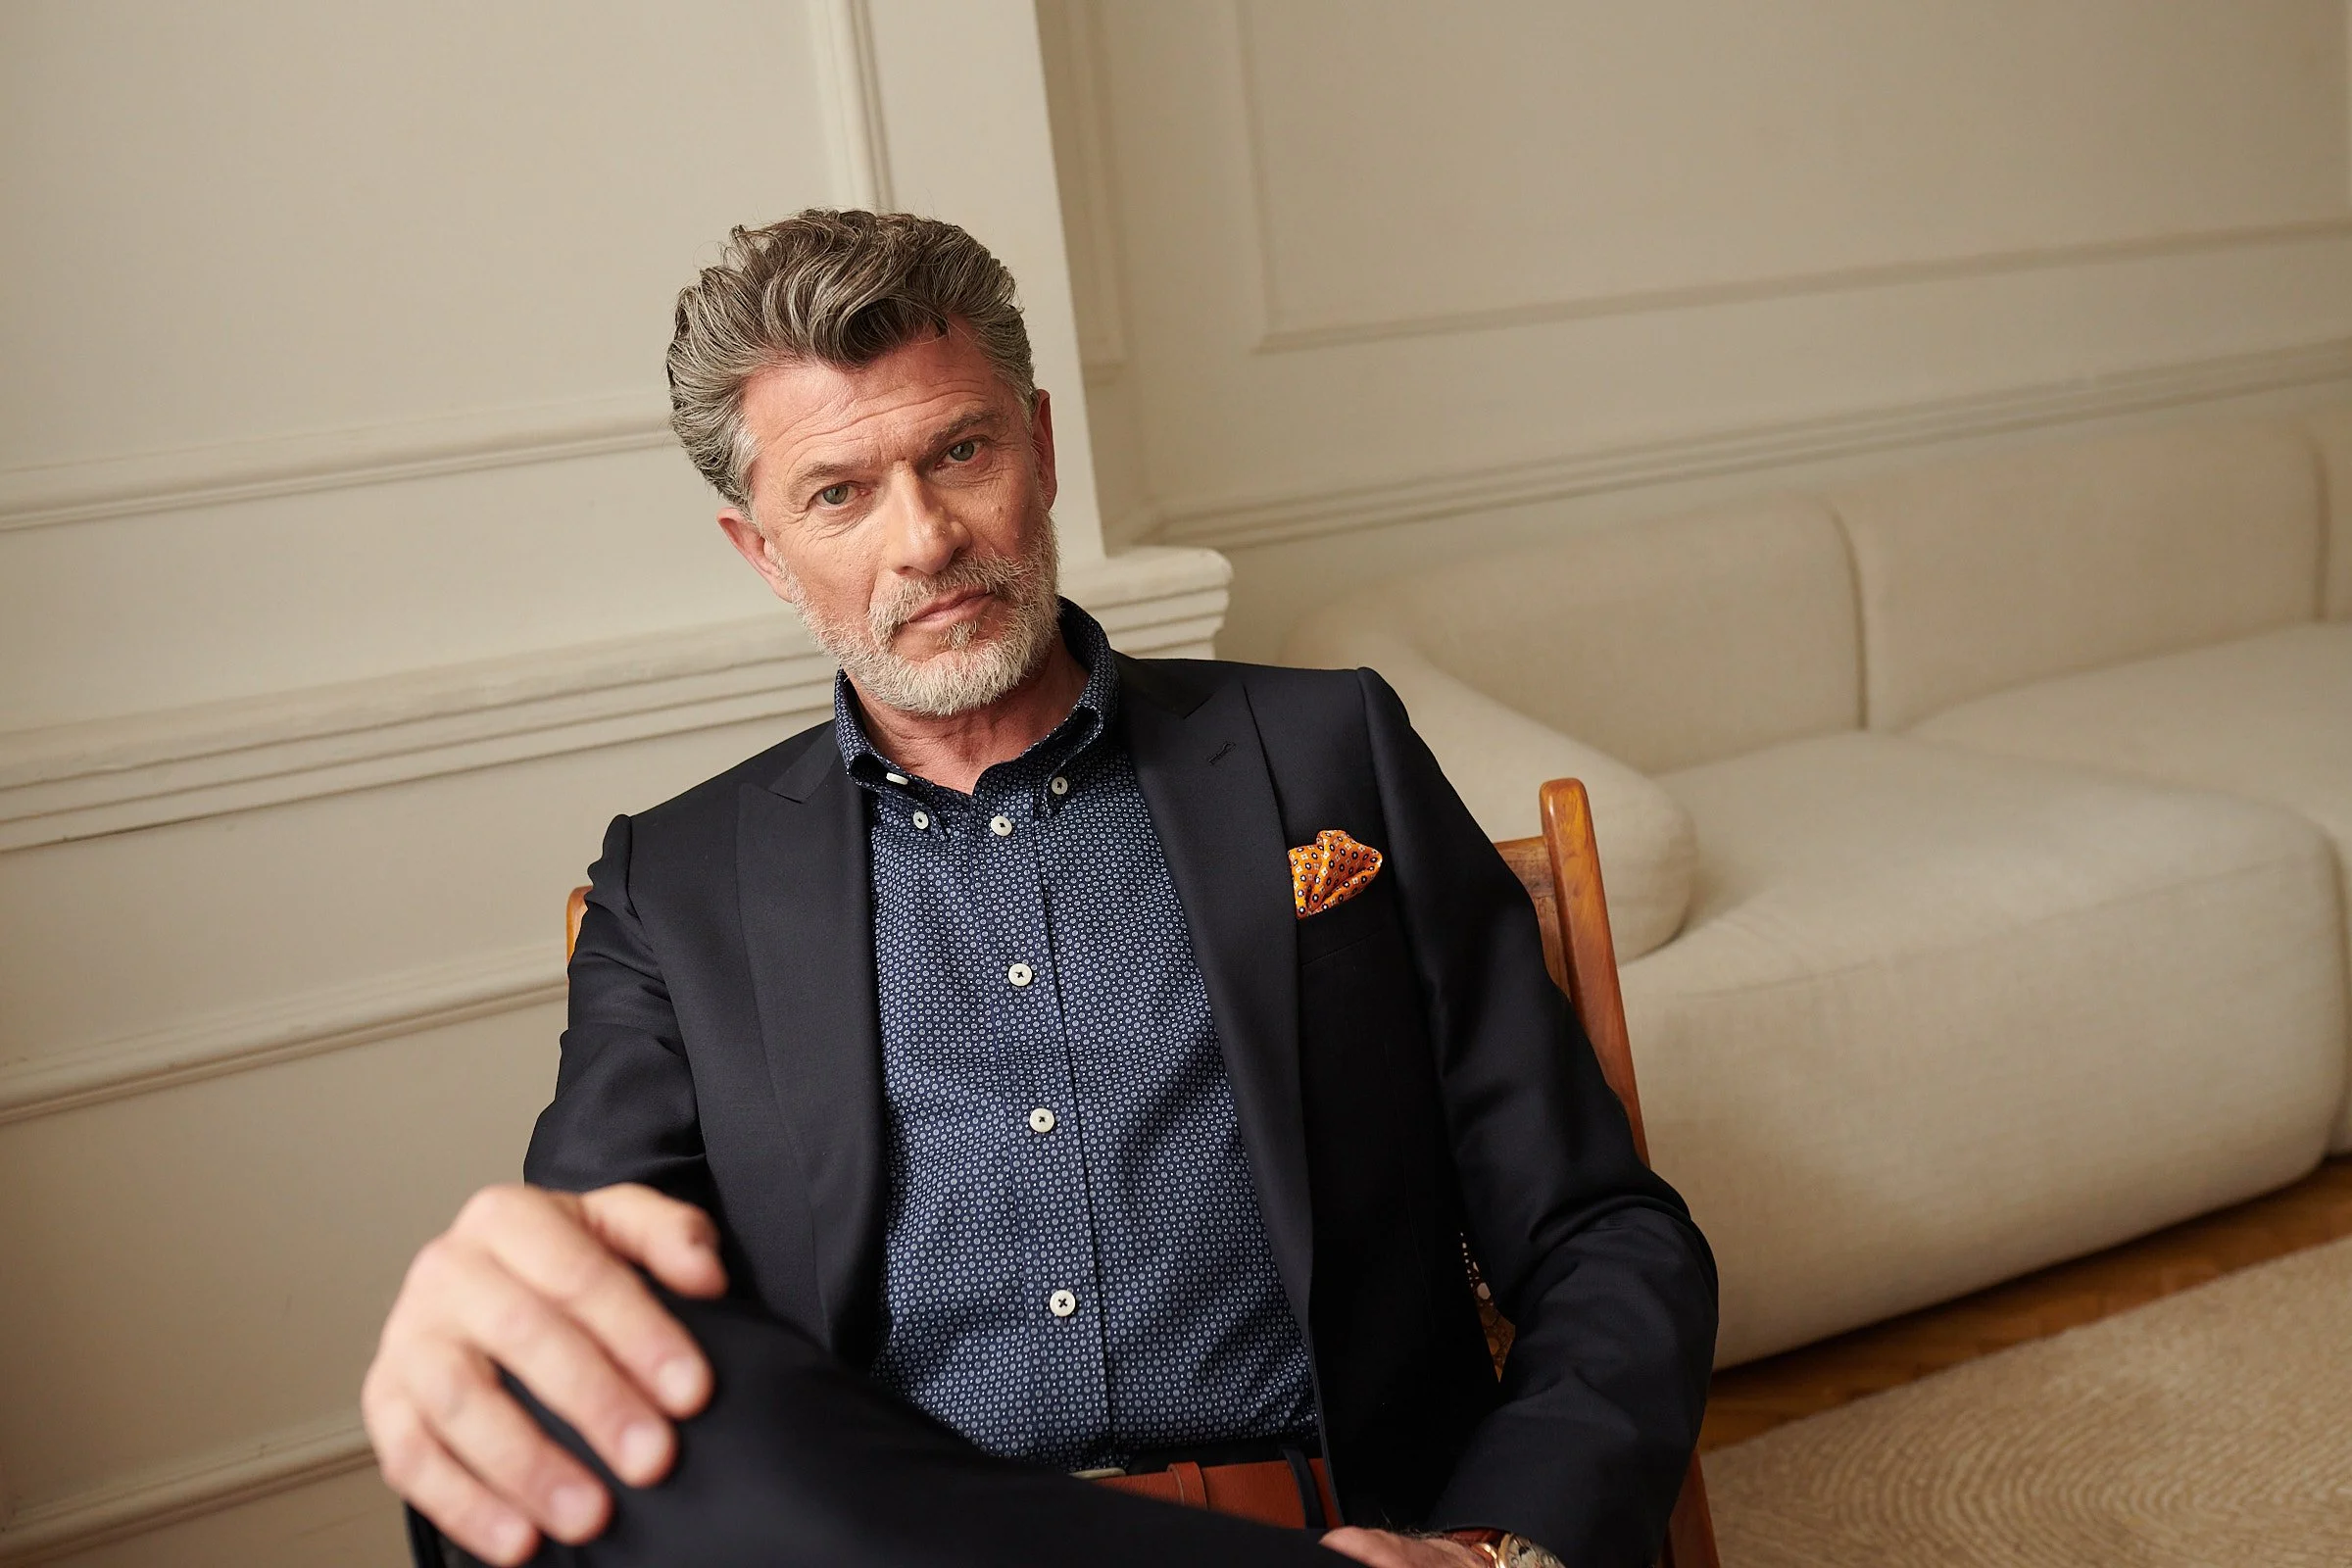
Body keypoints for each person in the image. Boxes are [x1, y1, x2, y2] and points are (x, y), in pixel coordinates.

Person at [363, 210, 1717, 1568]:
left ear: (1042, 447)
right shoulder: (672, 890)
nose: (925, 539)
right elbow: (582, 1329)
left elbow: (1601, 1233)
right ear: (762, 552)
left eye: (961, 452)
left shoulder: (1327, 753)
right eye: (837, 495)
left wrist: (1493, 1550)